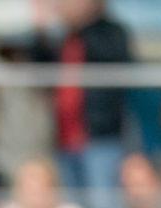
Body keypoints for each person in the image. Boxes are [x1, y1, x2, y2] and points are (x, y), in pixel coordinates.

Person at [30, 0, 132, 197]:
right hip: (64, 137)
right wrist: (40, 33)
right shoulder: (66, 37)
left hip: (99, 137)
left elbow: (110, 58)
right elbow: (40, 67)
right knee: (72, 203)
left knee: (102, 202)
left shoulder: (111, 32)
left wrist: (83, 21)